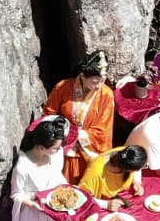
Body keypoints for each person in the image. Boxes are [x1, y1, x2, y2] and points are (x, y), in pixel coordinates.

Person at [42, 50, 115, 184]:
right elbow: (48, 114)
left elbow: (103, 130)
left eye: (102, 81)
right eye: (94, 82)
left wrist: (77, 134)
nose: (99, 86)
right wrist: (60, 131)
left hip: (90, 151)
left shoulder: (106, 95)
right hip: (63, 146)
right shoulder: (62, 87)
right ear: (82, 76)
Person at [9, 117, 69, 221]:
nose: (59, 150)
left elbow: (58, 177)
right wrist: (32, 204)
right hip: (33, 216)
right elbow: (16, 194)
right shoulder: (22, 167)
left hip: (53, 210)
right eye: (55, 148)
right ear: (41, 147)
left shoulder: (56, 155)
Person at [79, 144, 148, 208]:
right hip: (103, 201)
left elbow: (137, 170)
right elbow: (80, 196)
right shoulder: (95, 172)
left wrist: (137, 181)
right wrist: (106, 204)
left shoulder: (126, 155)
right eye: (143, 167)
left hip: (119, 195)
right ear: (128, 169)